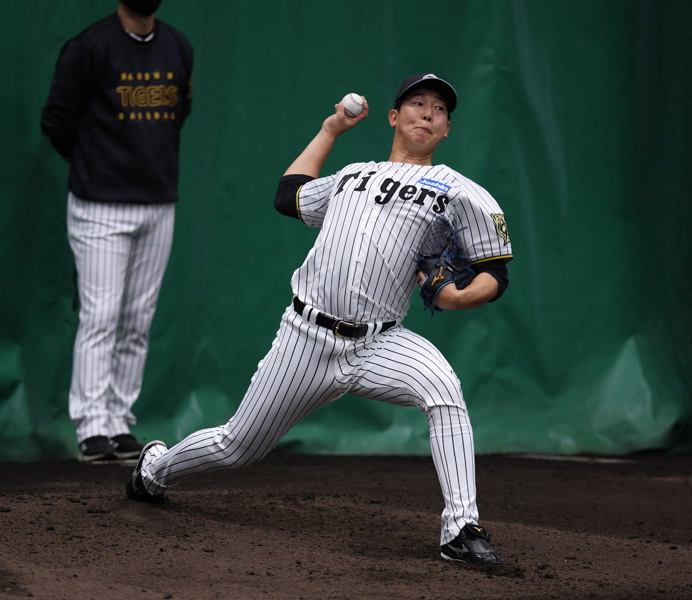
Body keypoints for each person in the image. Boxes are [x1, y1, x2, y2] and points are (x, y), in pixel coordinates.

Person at [125, 73, 513, 566]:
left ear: (447, 129)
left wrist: (458, 298)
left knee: (443, 390)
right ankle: (154, 471)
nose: (428, 113)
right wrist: (330, 130)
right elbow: (288, 196)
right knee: (237, 446)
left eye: (439, 109)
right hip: (306, 337)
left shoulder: (460, 192)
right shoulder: (353, 175)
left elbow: (495, 273)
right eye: (418, 103)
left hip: (379, 342)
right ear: (394, 117)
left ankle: (461, 528)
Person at [40, 0, 193, 463]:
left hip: (158, 202)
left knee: (137, 319)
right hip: (100, 204)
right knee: (101, 316)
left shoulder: (178, 47)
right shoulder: (89, 48)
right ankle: (91, 426)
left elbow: (180, 112)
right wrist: (96, 165)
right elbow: (56, 122)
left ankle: (119, 421)